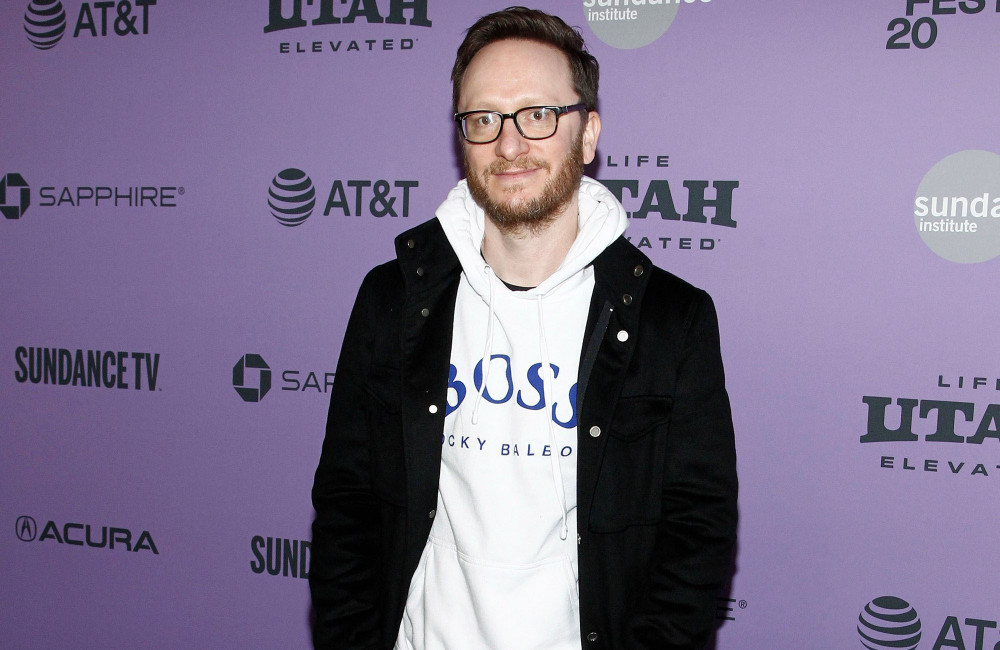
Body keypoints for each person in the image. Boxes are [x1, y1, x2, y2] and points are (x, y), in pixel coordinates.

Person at [310, 7, 738, 649]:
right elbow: (347, 505)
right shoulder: (392, 299)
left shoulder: (670, 320)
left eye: (538, 115)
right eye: (484, 119)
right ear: (462, 138)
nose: (509, 145)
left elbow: (697, 535)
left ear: (587, 135)